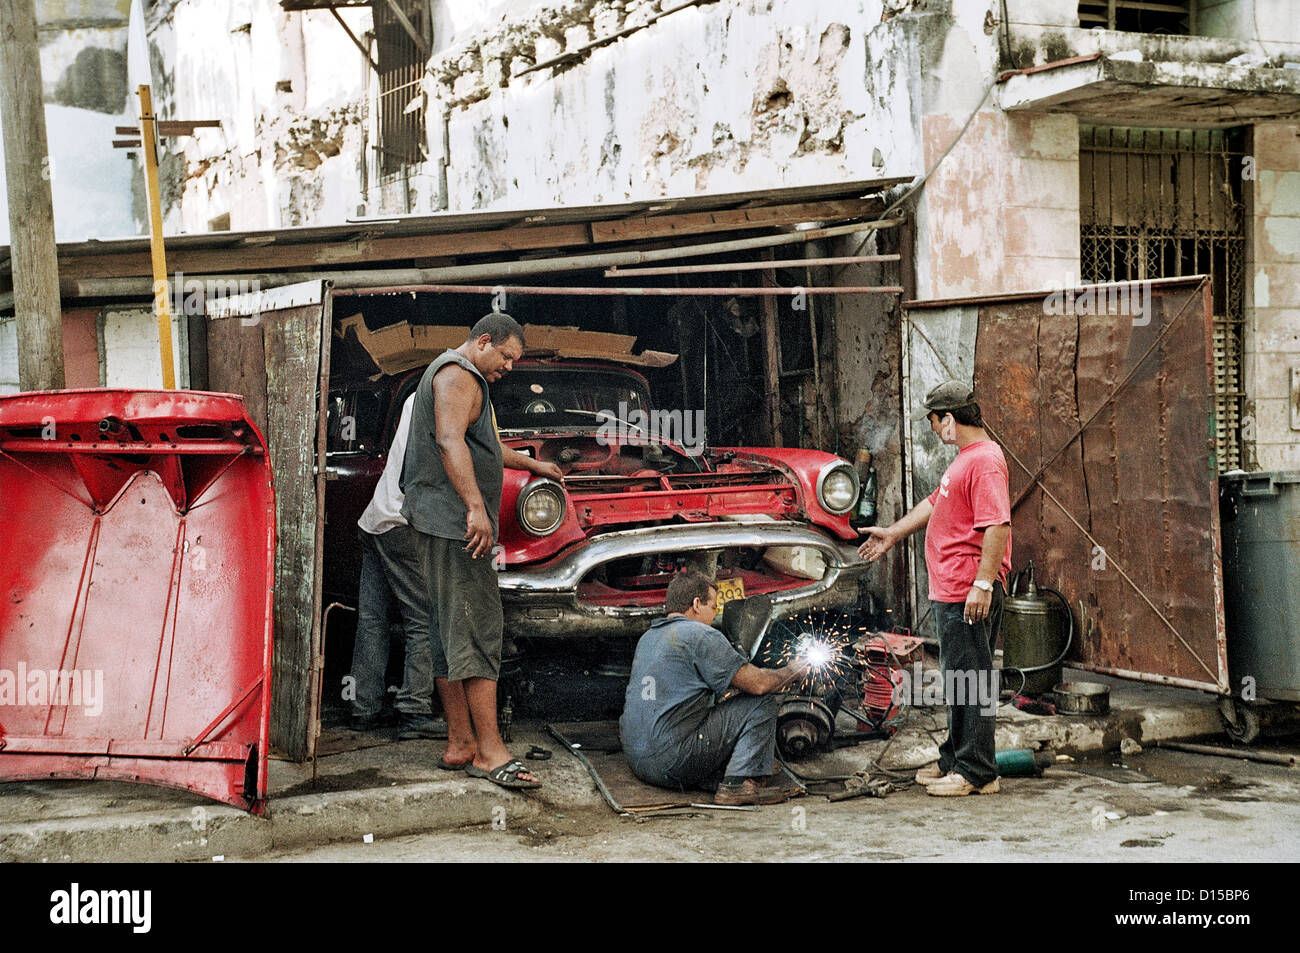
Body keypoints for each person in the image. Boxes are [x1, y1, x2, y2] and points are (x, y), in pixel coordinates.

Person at [400, 313, 562, 790]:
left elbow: (480, 445)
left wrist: (535, 463)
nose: (510, 367)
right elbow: (450, 441)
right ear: (484, 341)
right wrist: (476, 508)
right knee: (477, 629)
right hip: (456, 528)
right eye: (507, 357)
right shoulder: (458, 375)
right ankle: (490, 752)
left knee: (448, 631)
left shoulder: (457, 376)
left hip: (439, 525)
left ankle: (460, 743)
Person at [858, 380, 1012, 797]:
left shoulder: (984, 462)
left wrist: (982, 583)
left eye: (933, 421)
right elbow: (934, 503)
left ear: (949, 418)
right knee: (958, 675)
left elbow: (997, 524)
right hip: (953, 589)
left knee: (970, 677)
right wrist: (892, 533)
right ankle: (956, 759)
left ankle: (978, 771)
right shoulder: (965, 459)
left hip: (968, 590)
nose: (932, 430)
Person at [618, 570, 809, 806]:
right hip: (670, 762)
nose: (714, 615)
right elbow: (758, 685)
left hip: (638, 761)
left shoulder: (649, 636)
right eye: (713, 607)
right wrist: (793, 671)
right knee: (761, 702)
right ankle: (738, 785)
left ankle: (711, 773)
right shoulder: (701, 634)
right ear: (697, 604)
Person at [348, 393, 447, 740]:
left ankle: (363, 707)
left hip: (376, 518)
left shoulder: (415, 395)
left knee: (372, 620)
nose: (507, 366)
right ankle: (414, 709)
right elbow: (452, 454)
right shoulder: (452, 394)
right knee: (424, 618)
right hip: (403, 522)